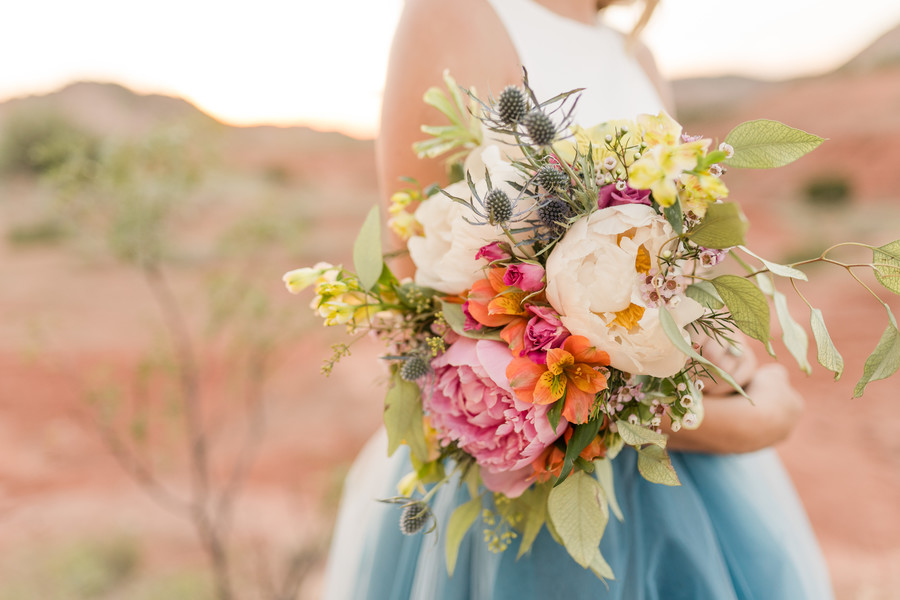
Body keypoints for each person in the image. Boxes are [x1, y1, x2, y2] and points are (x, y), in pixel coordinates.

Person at [321, 0, 834, 598]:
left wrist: (722, 356)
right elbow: (429, 311)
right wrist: (736, 425)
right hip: (546, 479)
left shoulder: (635, 54)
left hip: (685, 477)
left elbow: (671, 260)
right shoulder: (452, 13)